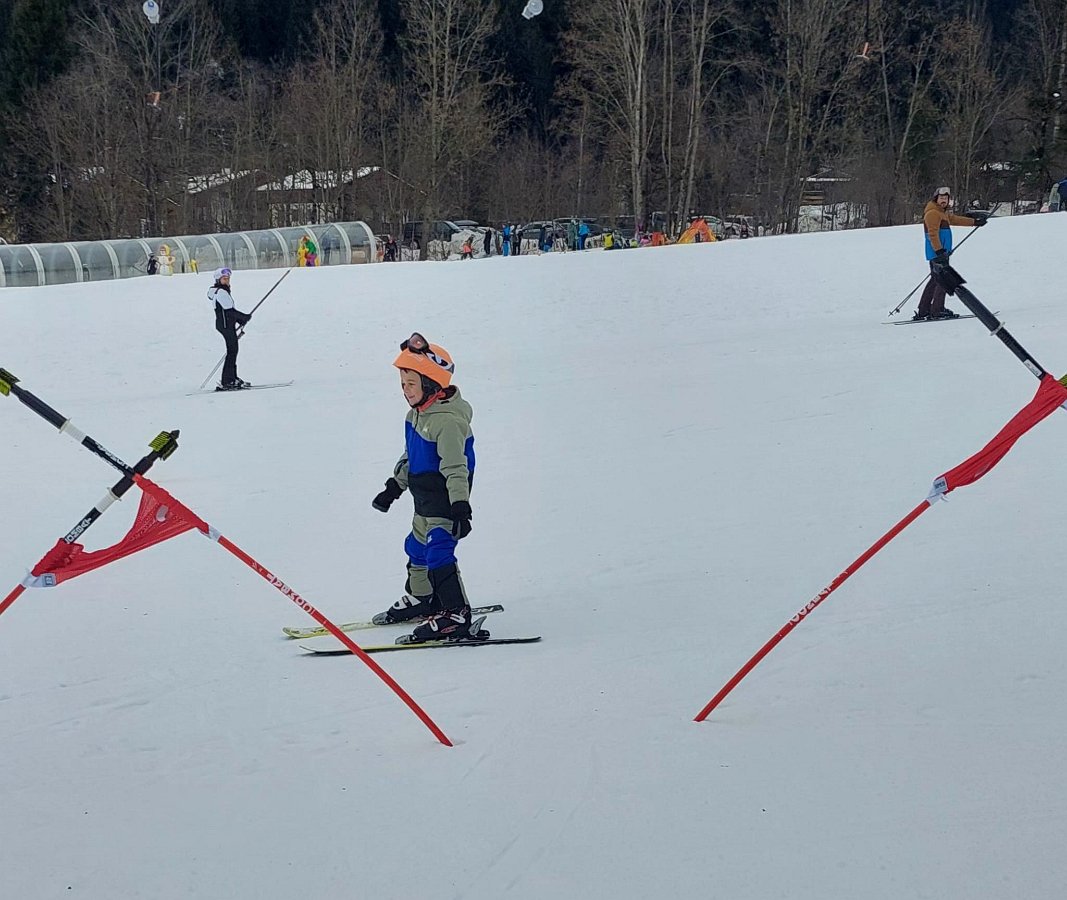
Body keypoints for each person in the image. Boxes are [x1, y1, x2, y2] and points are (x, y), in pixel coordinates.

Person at [370, 333, 480, 643]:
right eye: (402, 383)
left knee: (438, 553)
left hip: (445, 501)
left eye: (411, 384)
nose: (405, 390)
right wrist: (394, 487)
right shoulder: (415, 416)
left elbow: (456, 468)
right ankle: (422, 598)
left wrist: (461, 507)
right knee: (416, 547)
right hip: (423, 500)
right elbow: (411, 457)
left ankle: (456, 615)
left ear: (431, 385)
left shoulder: (447, 422)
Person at [915, 186, 987, 321]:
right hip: (938, 253)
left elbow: (955, 219)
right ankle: (937, 310)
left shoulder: (942, 212)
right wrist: (939, 250)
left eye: (946, 198)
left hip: (941, 253)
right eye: (941, 198)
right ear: (936, 199)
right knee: (943, 281)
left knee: (935, 280)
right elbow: (932, 234)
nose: (944, 201)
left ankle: (924, 310)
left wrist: (975, 222)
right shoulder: (932, 213)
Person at [208, 267, 253, 390]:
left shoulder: (220, 291)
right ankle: (228, 380)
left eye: (228, 278)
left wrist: (241, 319)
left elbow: (229, 312)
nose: (227, 280)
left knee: (232, 351)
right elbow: (229, 312)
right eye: (224, 278)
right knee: (232, 351)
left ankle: (232, 378)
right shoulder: (221, 292)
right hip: (226, 325)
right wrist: (243, 317)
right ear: (218, 280)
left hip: (225, 324)